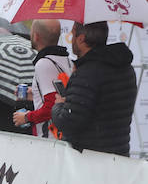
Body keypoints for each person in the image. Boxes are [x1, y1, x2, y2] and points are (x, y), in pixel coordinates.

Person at [51, 21, 137, 156]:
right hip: (119, 156)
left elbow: (68, 121)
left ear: (81, 39)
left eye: (73, 35)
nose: (71, 39)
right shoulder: (126, 68)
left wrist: (58, 105)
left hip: (90, 159)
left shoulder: (87, 73)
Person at [12, 20, 73, 137]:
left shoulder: (44, 63)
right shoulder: (67, 59)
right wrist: (35, 93)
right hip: (63, 133)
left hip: (50, 136)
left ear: (36, 36)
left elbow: (51, 106)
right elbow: (61, 95)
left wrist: (26, 117)